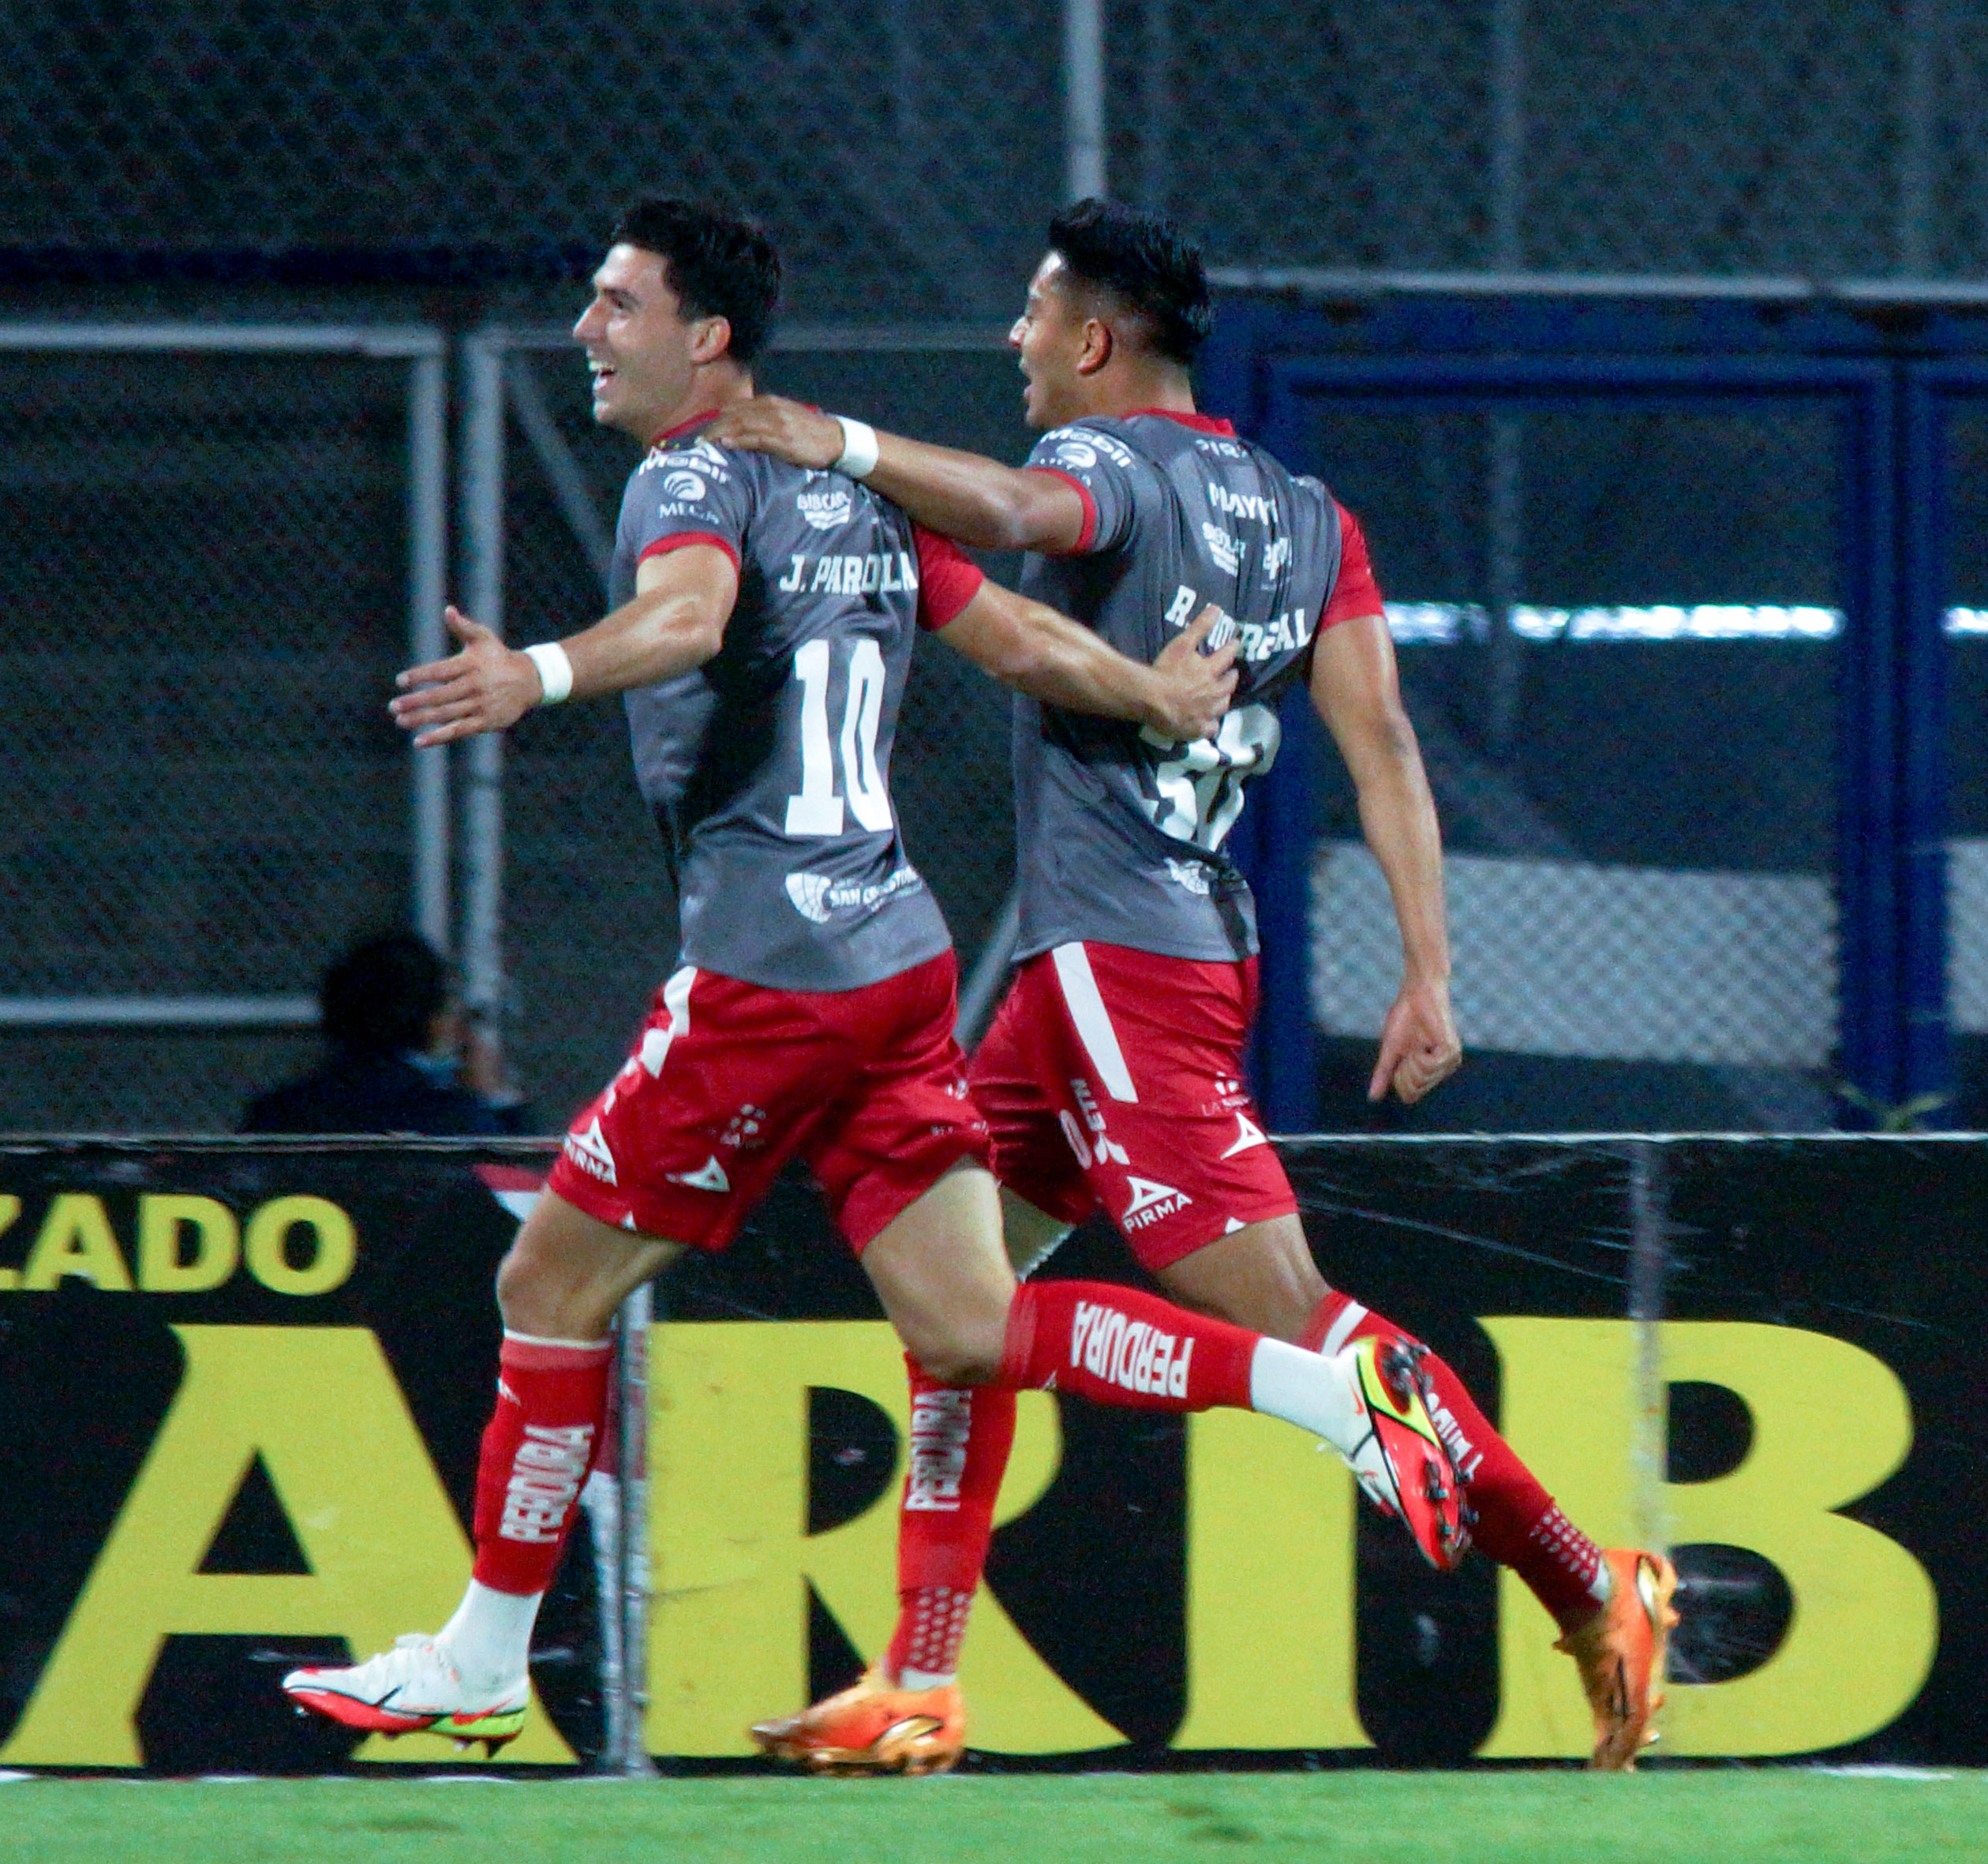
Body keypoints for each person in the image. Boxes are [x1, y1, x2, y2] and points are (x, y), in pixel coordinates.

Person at [279, 197, 1471, 1762]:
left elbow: (687, 614)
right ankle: (1322, 1394)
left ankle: (481, 1657)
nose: (587, 330)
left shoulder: (692, 473)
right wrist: (1155, 694)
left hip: (766, 977)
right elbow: (1022, 640)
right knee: (970, 1325)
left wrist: (536, 671)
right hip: (897, 962)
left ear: (706, 337)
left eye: (618, 304)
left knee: (544, 1285)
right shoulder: (850, 494)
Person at [707, 197, 1677, 1775]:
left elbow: (1012, 506)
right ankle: (918, 1676)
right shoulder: (1306, 514)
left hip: (1121, 965)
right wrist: (1426, 968)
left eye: (1034, 314)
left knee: (1295, 1326)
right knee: (956, 1315)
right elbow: (1381, 744)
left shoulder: (1103, 463)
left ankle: (1586, 1578)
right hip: (1120, 967)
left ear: (1093, 339)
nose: (1015, 338)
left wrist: (840, 443)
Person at [241, 928, 530, 1136]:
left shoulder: (276, 1112)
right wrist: (498, 1099)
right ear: (430, 1021)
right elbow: (528, 1187)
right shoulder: (455, 1119)